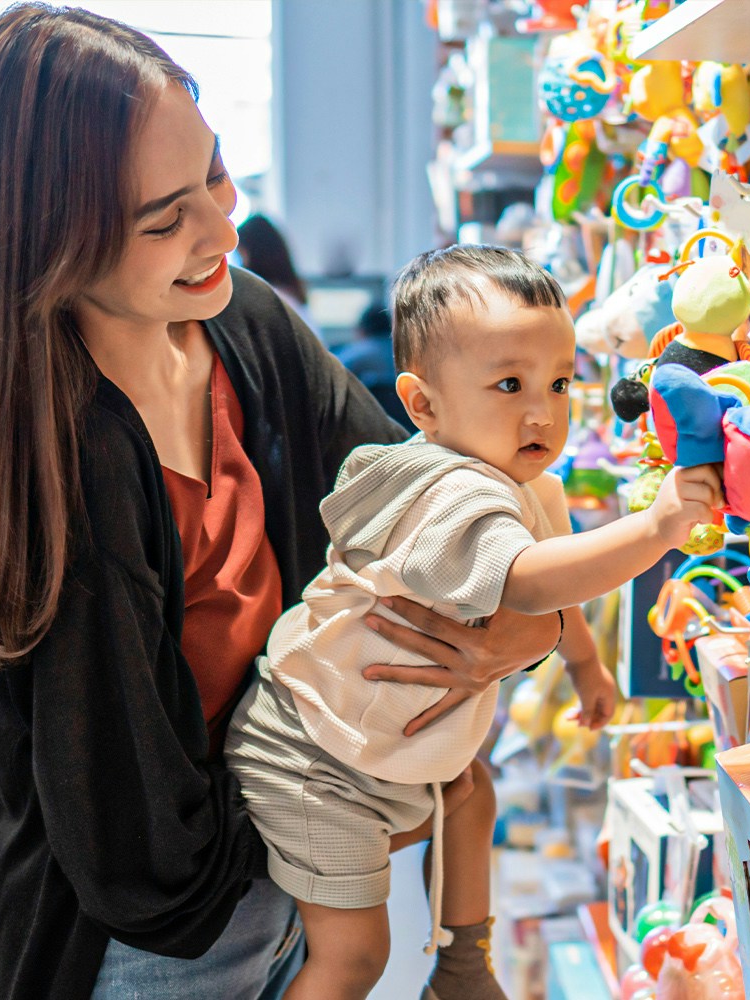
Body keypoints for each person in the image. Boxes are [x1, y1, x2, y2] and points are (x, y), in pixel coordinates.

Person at [0, 7, 564, 999]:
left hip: (287, 869)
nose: (221, 225)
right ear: (50, 239)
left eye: (212, 172)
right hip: (156, 938)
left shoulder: (239, 318)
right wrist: (332, 796)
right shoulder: (65, 460)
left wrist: (527, 620)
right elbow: (135, 848)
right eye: (164, 217)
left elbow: (421, 499)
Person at [226, 244, 722, 1000]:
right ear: (422, 405)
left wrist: (586, 663)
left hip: (380, 744)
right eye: (510, 385)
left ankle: (461, 969)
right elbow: (527, 583)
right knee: (353, 956)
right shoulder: (448, 491)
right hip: (313, 756)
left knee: (473, 791)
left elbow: (557, 587)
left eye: (560, 383)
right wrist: (654, 530)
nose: (542, 412)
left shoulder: (524, 483)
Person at [334, 301, 409, 429]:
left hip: (367, 429)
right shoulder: (409, 355)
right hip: (411, 428)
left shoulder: (352, 356)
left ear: (361, 331)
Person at [236, 213, 312, 325]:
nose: (241, 263)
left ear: (255, 254)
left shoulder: (266, 301)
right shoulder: (290, 294)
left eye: (241, 254)